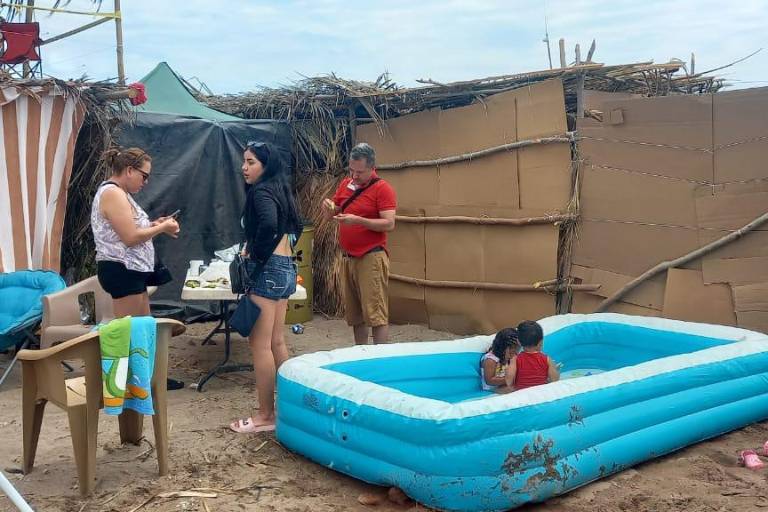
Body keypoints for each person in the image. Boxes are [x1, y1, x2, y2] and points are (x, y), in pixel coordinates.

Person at [91, 147, 183, 389]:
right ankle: (127, 384)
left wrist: (154, 224)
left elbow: (130, 230)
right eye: (144, 175)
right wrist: (161, 229)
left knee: (142, 327)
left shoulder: (121, 194)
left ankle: (149, 379)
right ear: (129, 170)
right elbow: (130, 237)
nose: (146, 182)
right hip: (121, 270)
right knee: (129, 331)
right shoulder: (112, 193)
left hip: (131, 270)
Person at [230, 141, 302, 434]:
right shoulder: (281, 188)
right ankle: (291, 407)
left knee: (259, 345)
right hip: (286, 269)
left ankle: (265, 415)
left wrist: (255, 254)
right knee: (277, 342)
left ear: (265, 165)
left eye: (251, 162)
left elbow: (270, 225)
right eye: (244, 161)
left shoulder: (261, 191)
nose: (244, 167)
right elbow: (296, 226)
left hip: (268, 270)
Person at [322, 143, 397, 345]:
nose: (354, 176)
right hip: (349, 256)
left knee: (376, 314)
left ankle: (379, 359)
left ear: (372, 168)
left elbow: (389, 223)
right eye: (351, 170)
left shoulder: (383, 189)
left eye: (360, 172)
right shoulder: (346, 184)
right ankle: (360, 354)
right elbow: (334, 213)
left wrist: (358, 221)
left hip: (371, 256)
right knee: (355, 315)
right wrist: (328, 208)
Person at [505, 320, 560, 391]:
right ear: (541, 341)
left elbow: (508, 381)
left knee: (502, 389)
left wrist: (507, 368)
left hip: (522, 393)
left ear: (518, 341)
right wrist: (555, 369)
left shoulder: (515, 359)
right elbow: (555, 380)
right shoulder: (547, 359)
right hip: (541, 392)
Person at [480, 328, 520, 393]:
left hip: (506, 384)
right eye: (511, 353)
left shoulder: (513, 355)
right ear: (501, 348)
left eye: (516, 350)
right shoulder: (490, 360)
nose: (514, 354)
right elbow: (489, 381)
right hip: (492, 388)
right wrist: (508, 379)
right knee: (512, 389)